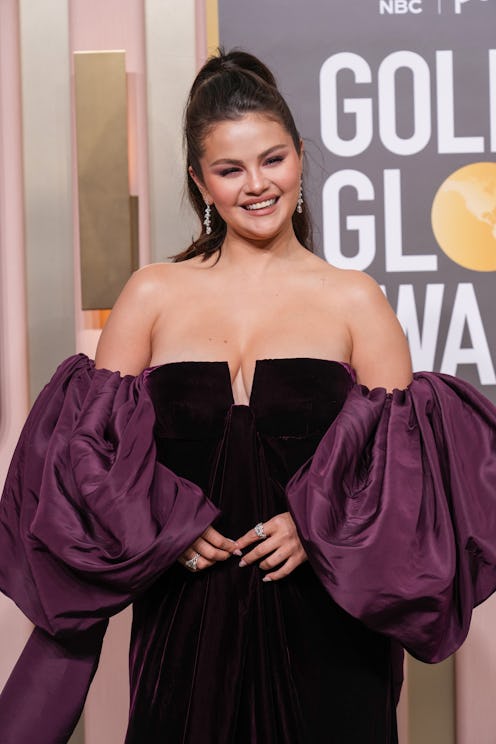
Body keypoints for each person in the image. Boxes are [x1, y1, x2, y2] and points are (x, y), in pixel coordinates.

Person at [0, 49, 496, 744]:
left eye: (273, 160)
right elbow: (92, 463)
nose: (257, 186)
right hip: (185, 619)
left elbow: (398, 482)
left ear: (299, 156)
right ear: (199, 181)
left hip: (326, 625)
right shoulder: (152, 294)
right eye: (231, 170)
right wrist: (163, 527)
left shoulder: (355, 299)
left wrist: (314, 525)